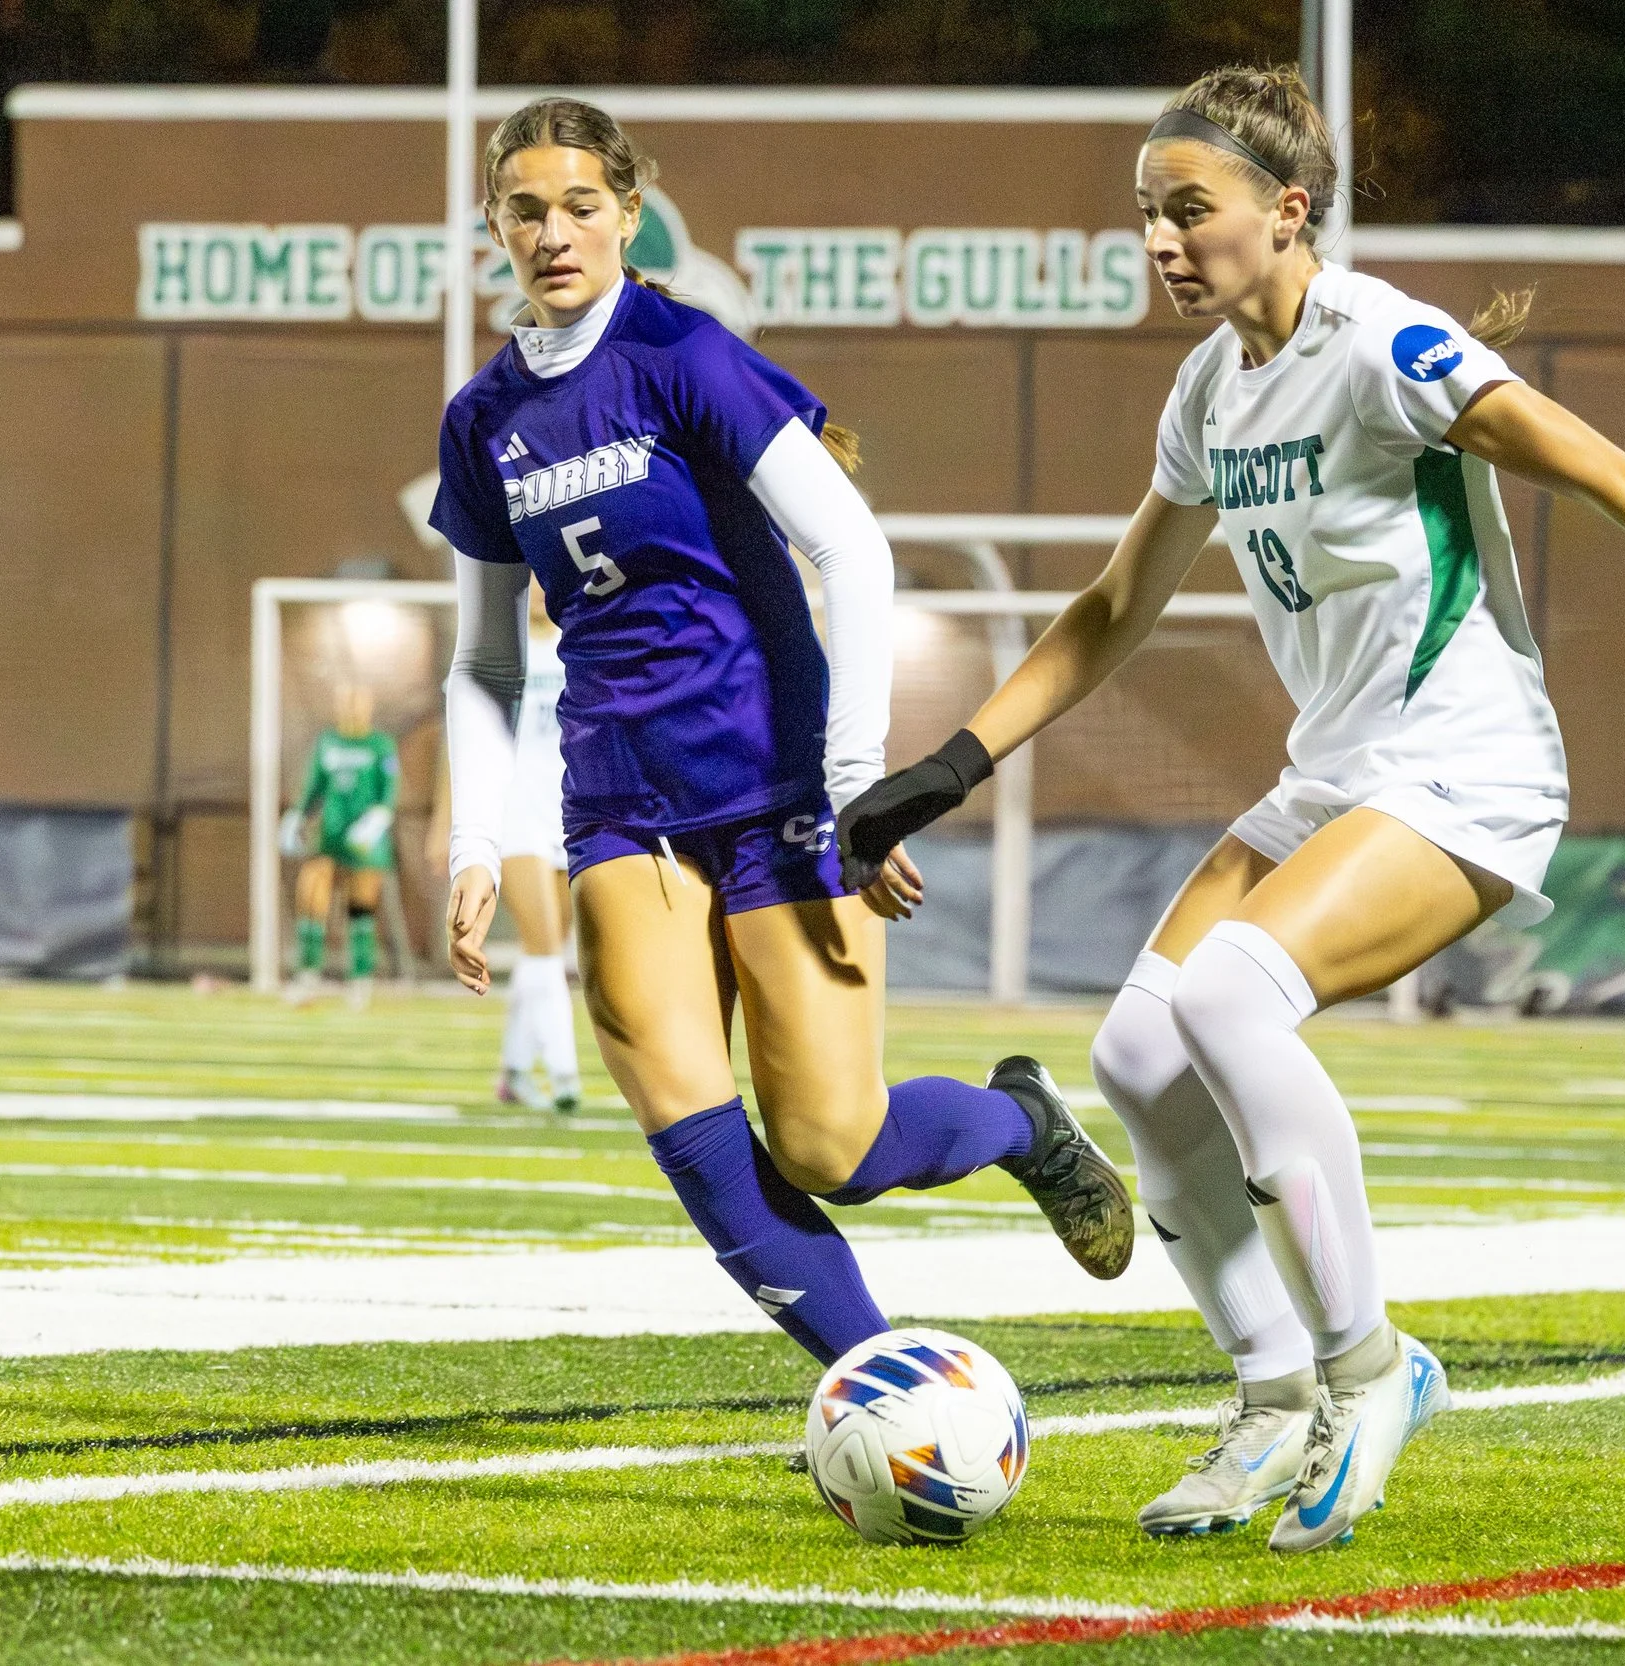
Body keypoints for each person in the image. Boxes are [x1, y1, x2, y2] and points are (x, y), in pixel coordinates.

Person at [840, 65, 1625, 1551]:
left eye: (1192, 211)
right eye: (1147, 217)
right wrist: (948, 764)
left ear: (1289, 212)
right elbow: (1113, 607)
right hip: (1338, 772)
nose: (1163, 242)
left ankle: (1373, 1370)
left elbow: (1605, 469)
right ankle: (1272, 1392)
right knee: (1137, 1053)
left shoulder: (1388, 344)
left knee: (1231, 1000)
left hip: (1470, 767)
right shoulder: (1210, 388)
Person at [432, 97, 1134, 1367]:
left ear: (629, 215)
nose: (553, 232)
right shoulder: (482, 419)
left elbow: (851, 552)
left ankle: (1021, 1122)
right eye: (525, 209)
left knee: (833, 1146)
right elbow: (486, 657)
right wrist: (475, 841)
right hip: (617, 813)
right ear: (494, 222)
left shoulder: (683, 354)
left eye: (581, 205)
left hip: (774, 791)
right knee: (697, 1142)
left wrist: (858, 782)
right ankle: (889, 1389)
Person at [495, 588, 582, 1111]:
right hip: (514, 813)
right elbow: (462, 735)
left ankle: (514, 1070)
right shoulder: (498, 652)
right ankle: (565, 1075)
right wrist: (448, 822)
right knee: (547, 945)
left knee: (543, 946)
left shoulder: (577, 649)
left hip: (569, 810)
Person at [286, 682, 400, 1007]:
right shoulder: (328, 742)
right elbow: (314, 785)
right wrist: (298, 815)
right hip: (330, 835)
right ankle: (308, 976)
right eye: (346, 702)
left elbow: (388, 793)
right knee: (310, 896)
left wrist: (374, 823)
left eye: (358, 702)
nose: (352, 708)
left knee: (360, 907)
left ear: (369, 706)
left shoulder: (380, 746)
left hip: (365, 841)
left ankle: (360, 981)